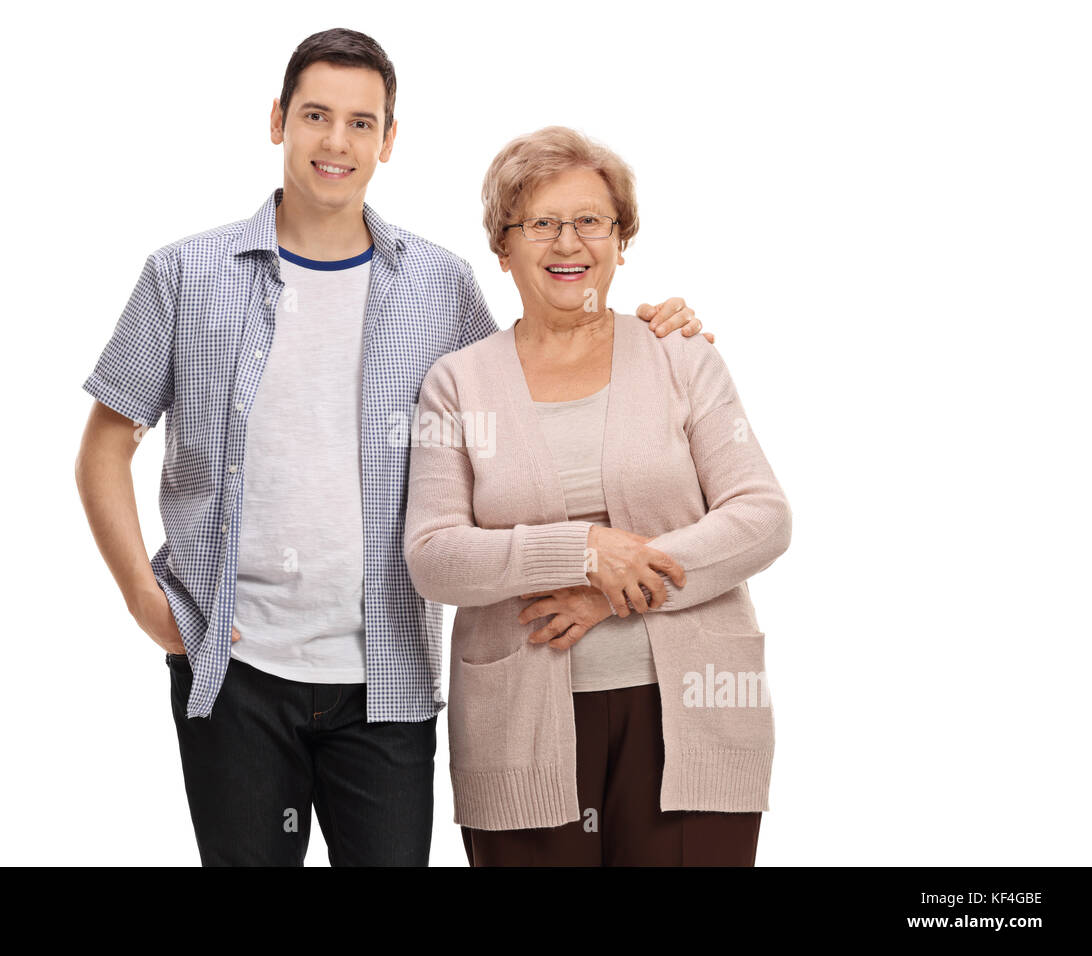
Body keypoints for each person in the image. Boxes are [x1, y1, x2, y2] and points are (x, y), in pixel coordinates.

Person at [75, 30, 708, 867]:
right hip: (232, 669)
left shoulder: (437, 283)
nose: (337, 142)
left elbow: (526, 405)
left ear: (388, 139)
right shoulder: (185, 275)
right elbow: (103, 448)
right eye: (315, 116)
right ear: (277, 122)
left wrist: (638, 329)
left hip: (389, 679)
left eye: (361, 123)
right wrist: (144, 603)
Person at [403, 126, 791, 866]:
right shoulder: (459, 382)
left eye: (591, 221)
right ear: (503, 245)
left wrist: (612, 591)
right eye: (541, 223)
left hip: (694, 711)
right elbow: (435, 557)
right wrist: (581, 552)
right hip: (520, 725)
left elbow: (763, 517)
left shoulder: (679, 355)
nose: (567, 243)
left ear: (621, 241)